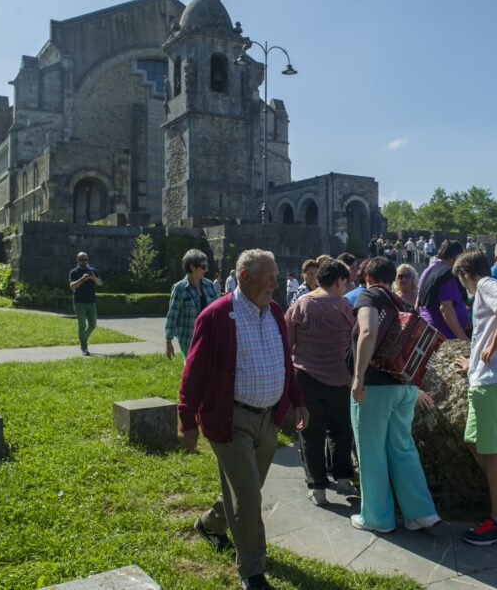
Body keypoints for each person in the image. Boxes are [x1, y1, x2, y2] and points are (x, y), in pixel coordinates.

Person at [179, 250, 309, 590]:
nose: (276, 282)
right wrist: (187, 420)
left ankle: (210, 525)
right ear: (245, 278)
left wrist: (297, 400)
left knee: (245, 489)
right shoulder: (216, 316)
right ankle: (252, 571)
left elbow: (285, 360)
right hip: (230, 418)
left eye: (276, 275)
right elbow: (193, 374)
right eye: (269, 276)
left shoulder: (276, 312)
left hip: (269, 419)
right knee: (249, 496)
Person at [350, 256, 441, 533]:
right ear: (392, 278)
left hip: (376, 386)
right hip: (405, 385)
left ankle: (377, 518)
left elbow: (368, 331)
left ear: (367, 277)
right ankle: (421, 513)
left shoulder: (369, 296)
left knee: (372, 451)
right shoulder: (402, 303)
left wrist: (358, 377)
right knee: (403, 448)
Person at [452, 248, 497, 545]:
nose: (464, 288)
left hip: (494, 382)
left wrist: (494, 344)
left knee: (492, 451)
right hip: (485, 378)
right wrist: (473, 362)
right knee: (474, 442)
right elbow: (488, 327)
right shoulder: (482, 289)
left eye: (462, 282)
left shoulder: (483, 285)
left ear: (466, 274)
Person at [286, 259, 357, 506]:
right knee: (341, 430)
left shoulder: (301, 304)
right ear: (339, 281)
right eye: (345, 282)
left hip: (306, 376)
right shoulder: (345, 307)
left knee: (311, 432)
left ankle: (317, 486)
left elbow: (288, 342)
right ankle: (344, 477)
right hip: (339, 378)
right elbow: (356, 338)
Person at [165, 249, 218, 360]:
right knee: (193, 371)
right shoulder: (179, 288)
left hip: (209, 336)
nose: (206, 269)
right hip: (188, 338)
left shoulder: (209, 285)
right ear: (192, 267)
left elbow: (217, 311)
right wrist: (168, 341)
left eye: (207, 266)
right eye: (203, 267)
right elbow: (172, 315)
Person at [417, 239, 470, 341]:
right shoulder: (447, 274)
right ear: (456, 257)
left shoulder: (427, 271)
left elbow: (417, 306)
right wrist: (463, 338)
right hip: (444, 338)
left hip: (430, 333)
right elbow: (446, 308)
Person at [68, 251, 103, 356]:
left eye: (85, 260)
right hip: (79, 302)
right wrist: (82, 279)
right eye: (81, 260)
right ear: (77, 260)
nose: (83, 262)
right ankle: (84, 347)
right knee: (82, 325)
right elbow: (72, 286)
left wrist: (93, 278)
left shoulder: (92, 271)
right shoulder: (74, 272)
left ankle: (83, 339)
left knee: (92, 325)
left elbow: (100, 283)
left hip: (91, 302)